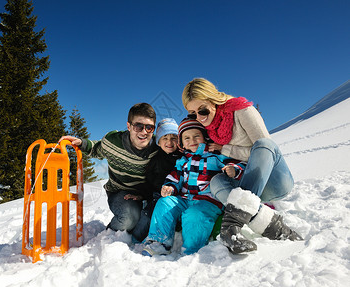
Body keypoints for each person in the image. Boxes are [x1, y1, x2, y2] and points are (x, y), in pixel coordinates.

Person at [181, 78, 302, 255]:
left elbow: (264, 151)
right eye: (193, 114)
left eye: (202, 110)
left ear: (214, 101)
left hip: (271, 180)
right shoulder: (208, 128)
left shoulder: (241, 110)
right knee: (216, 181)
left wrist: (226, 149)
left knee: (263, 144)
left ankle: (231, 226)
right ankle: (271, 227)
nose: (199, 118)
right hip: (244, 183)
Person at [142, 118, 246, 256]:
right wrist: (170, 187)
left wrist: (234, 169)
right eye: (187, 138)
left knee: (194, 215)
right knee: (164, 203)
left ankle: (191, 249)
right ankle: (159, 242)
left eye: (196, 136)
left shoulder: (216, 156)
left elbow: (240, 164)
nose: (192, 140)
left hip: (207, 201)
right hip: (184, 199)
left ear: (204, 137)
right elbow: (175, 177)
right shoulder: (183, 160)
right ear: (182, 143)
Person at [60, 103, 158, 242]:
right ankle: (109, 236)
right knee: (129, 218)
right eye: (138, 126)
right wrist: (81, 143)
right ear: (129, 126)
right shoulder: (113, 141)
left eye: (149, 127)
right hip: (119, 192)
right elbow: (97, 149)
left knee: (148, 224)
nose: (144, 132)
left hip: (145, 195)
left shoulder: (157, 149)